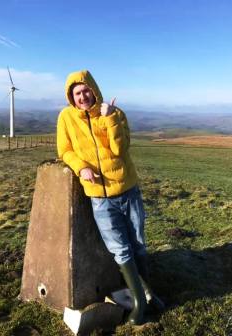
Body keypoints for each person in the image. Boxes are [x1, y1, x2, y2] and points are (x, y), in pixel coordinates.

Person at [57, 70, 164, 325]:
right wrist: (81, 167)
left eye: (86, 91)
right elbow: (65, 150)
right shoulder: (66, 117)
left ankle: (150, 295)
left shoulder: (116, 114)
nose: (82, 96)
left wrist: (110, 119)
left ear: (94, 90)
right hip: (99, 197)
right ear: (71, 97)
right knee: (120, 249)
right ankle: (140, 302)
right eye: (77, 93)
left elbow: (119, 150)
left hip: (128, 190)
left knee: (138, 242)